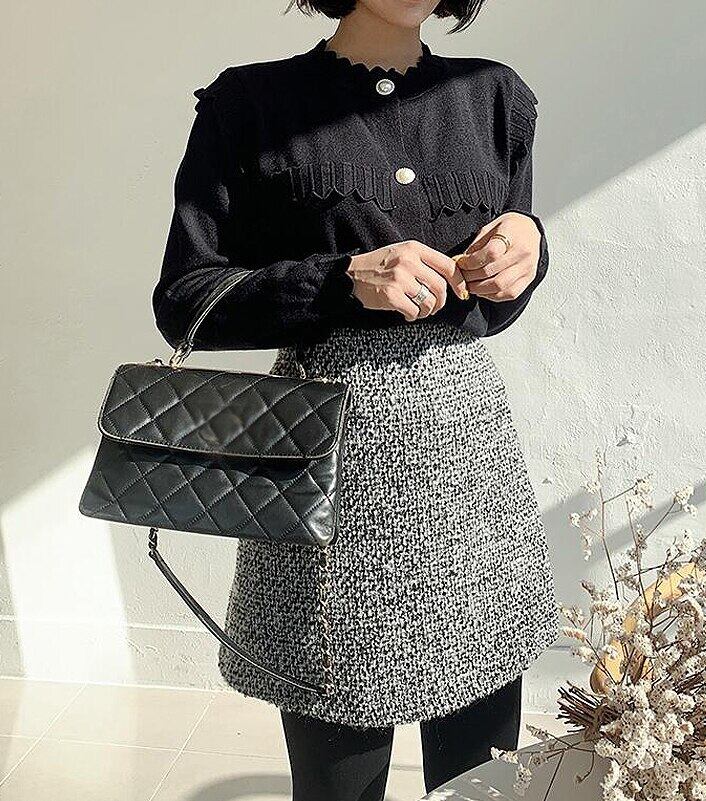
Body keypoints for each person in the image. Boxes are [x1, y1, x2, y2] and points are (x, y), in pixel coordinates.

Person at [152, 1, 559, 798]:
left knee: (480, 776)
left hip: (465, 462)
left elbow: (496, 305)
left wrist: (528, 252)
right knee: (337, 762)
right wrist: (340, 281)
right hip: (326, 463)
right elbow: (186, 298)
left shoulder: (496, 97)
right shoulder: (250, 104)